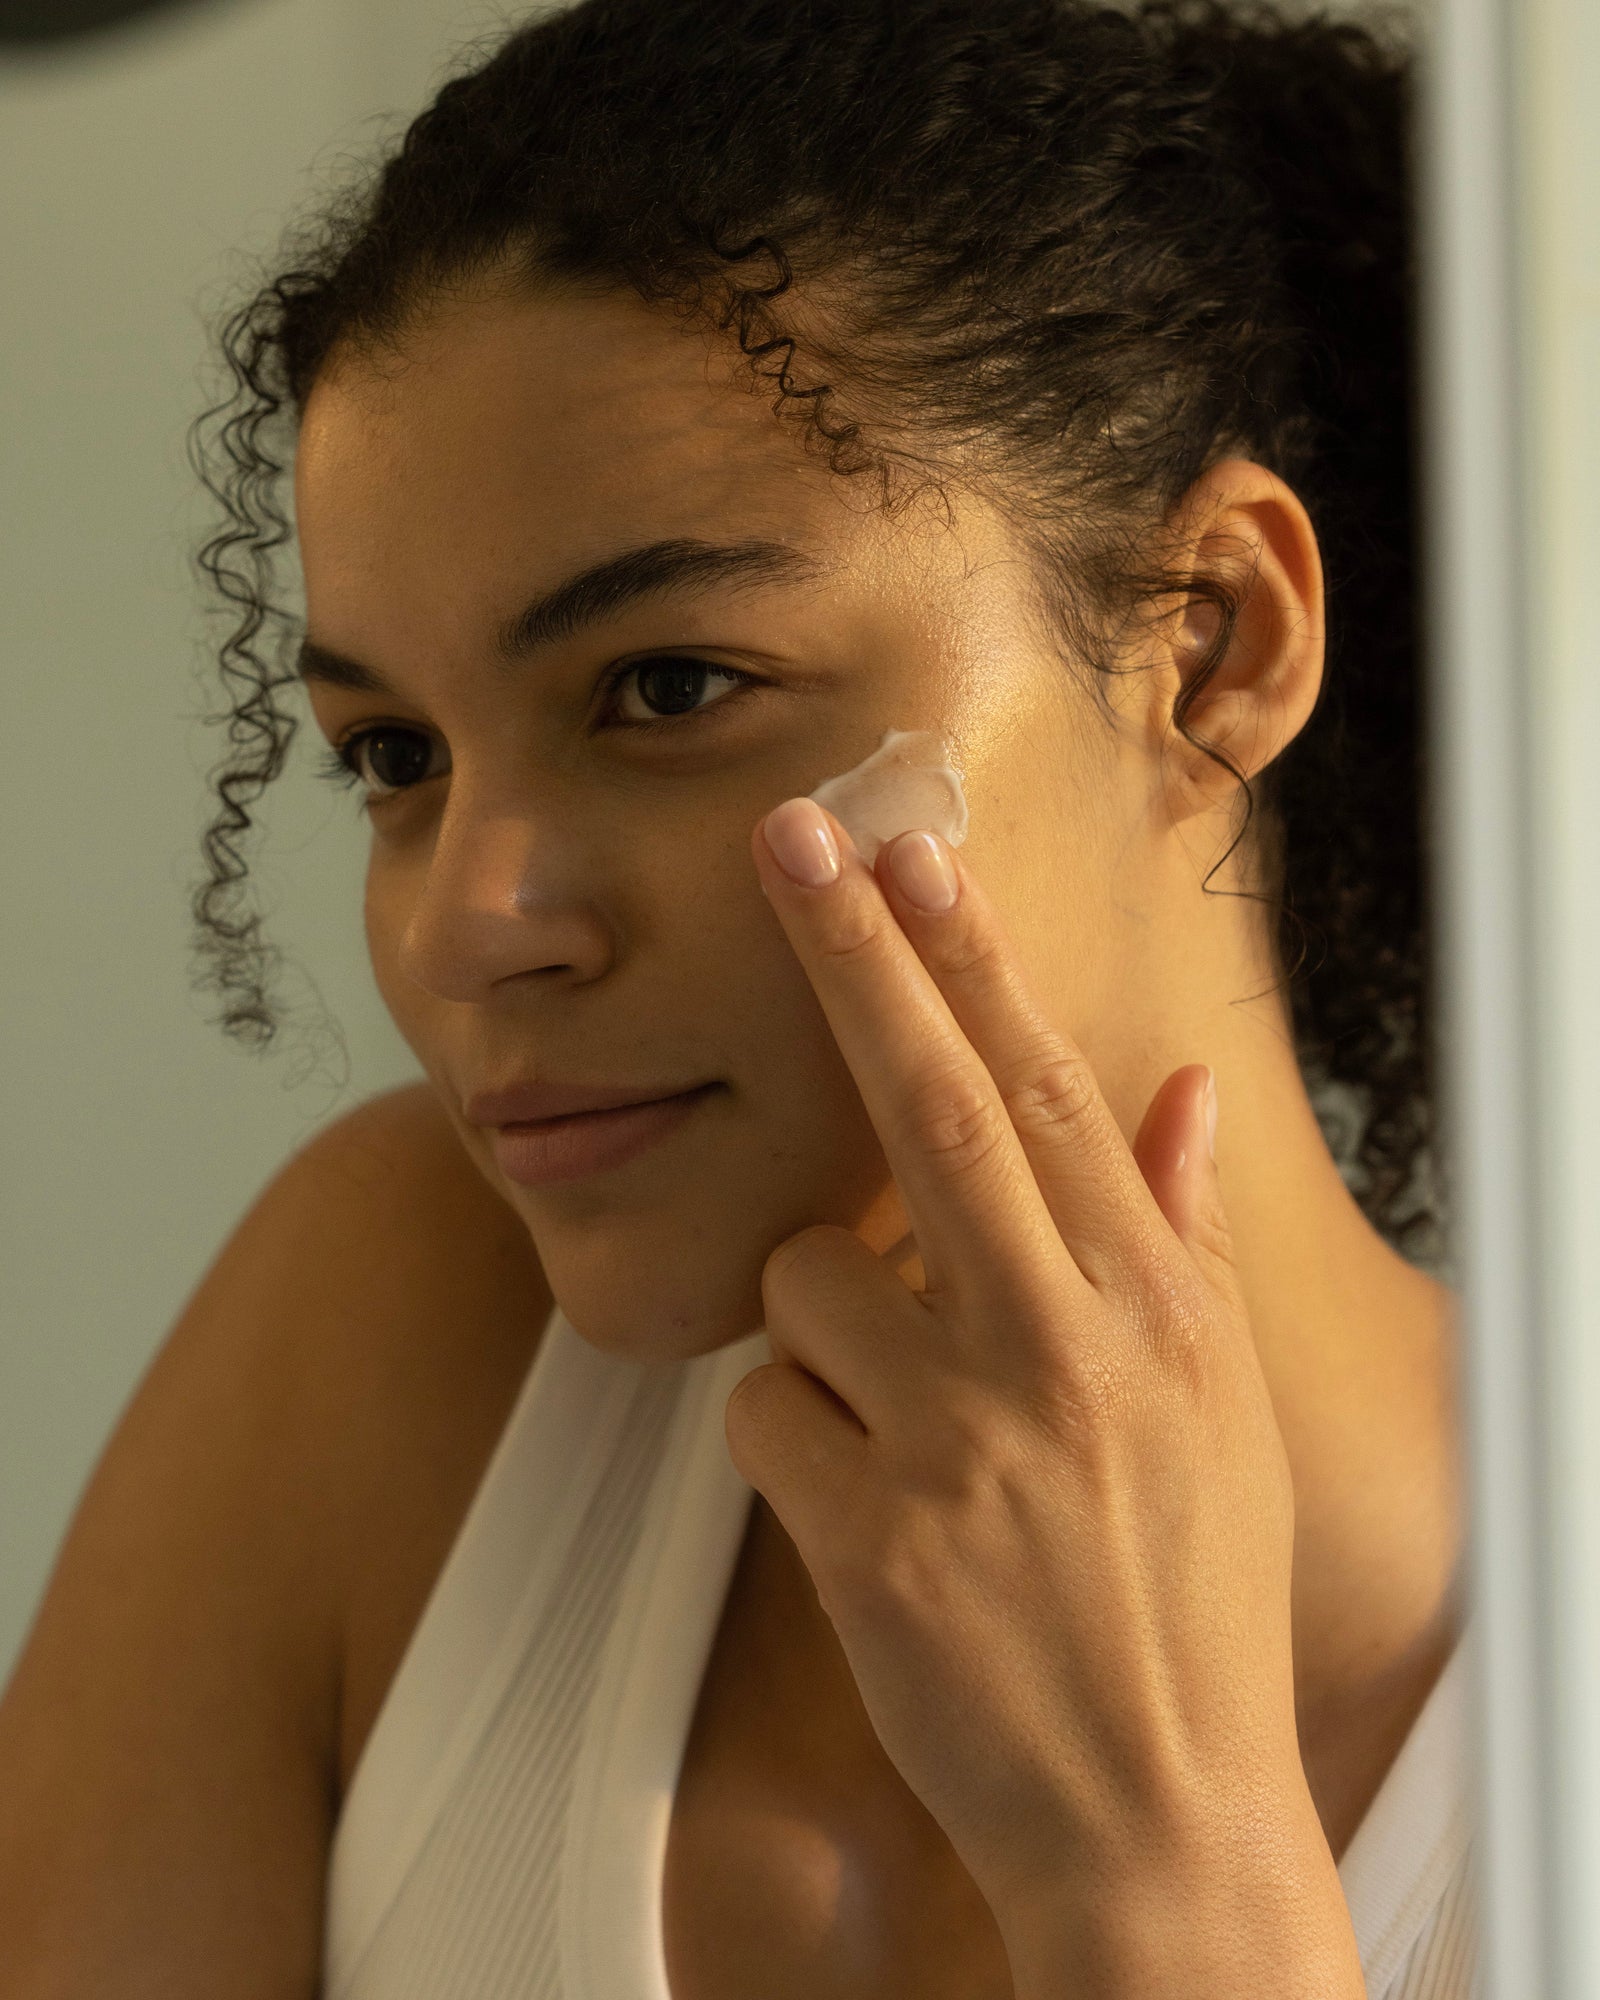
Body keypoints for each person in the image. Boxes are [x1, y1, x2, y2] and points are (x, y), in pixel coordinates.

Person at [0, 0, 1474, 1994]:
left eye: (670, 687)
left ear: (1208, 644)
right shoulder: (400, 1337)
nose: (464, 926)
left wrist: (1164, 1880)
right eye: (396, 756)